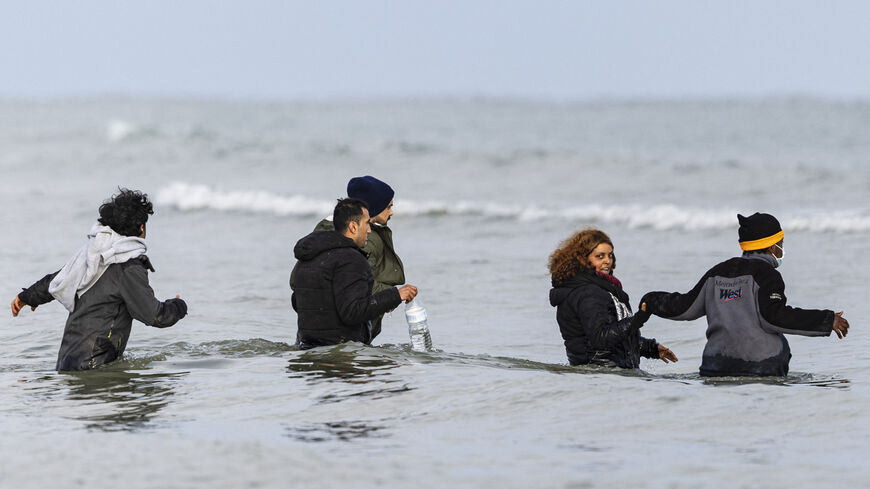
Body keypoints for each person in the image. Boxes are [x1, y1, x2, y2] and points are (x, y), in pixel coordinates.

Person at [640, 212, 850, 377]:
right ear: (771, 246)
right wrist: (826, 319)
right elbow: (774, 317)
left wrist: (650, 301)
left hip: (715, 366)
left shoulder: (716, 273)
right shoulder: (767, 275)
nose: (782, 249)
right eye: (781, 243)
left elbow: (683, 307)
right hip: (761, 368)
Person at [10, 188, 188, 371]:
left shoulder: (92, 254)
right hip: (95, 366)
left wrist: (26, 297)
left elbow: (56, 281)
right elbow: (155, 316)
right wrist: (178, 306)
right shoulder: (128, 267)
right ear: (141, 227)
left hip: (66, 363)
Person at [291, 198, 418, 349]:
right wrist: (395, 296)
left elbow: (297, 301)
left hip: (305, 349)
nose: (369, 230)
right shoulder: (352, 259)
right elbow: (354, 312)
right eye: (366, 224)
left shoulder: (309, 256)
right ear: (353, 226)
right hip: (340, 356)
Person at [548, 228, 678, 369]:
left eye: (610, 255)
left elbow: (615, 340)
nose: (607, 261)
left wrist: (651, 348)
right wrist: (638, 319)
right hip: (600, 377)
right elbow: (600, 339)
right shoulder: (588, 293)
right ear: (583, 259)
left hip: (606, 376)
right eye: (600, 256)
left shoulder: (602, 289)